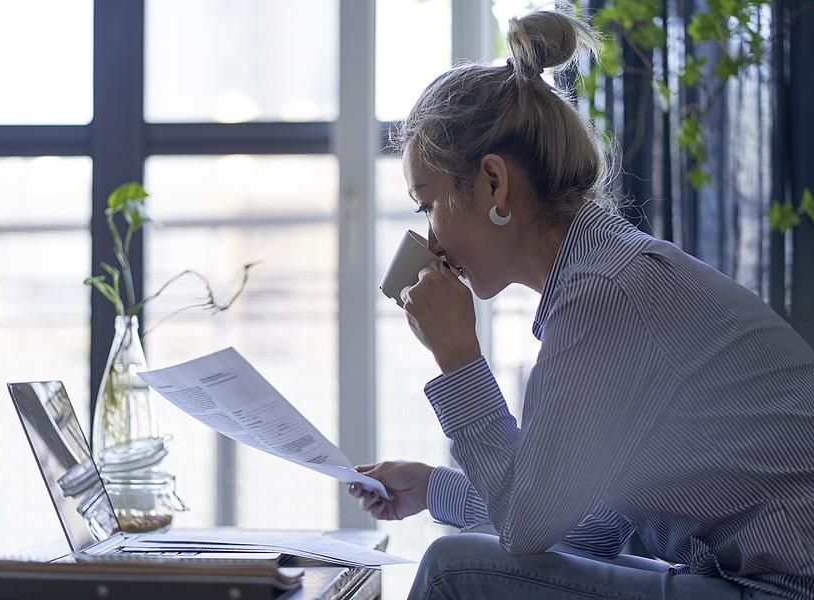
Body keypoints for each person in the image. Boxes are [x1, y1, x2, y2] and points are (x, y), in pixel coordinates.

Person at [348, 9, 814, 600]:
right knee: (463, 559)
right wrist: (433, 488)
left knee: (454, 569)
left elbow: (526, 526)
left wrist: (459, 357)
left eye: (427, 205)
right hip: (751, 581)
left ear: (494, 184)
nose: (429, 242)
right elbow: (582, 526)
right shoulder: (605, 275)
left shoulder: (606, 293)